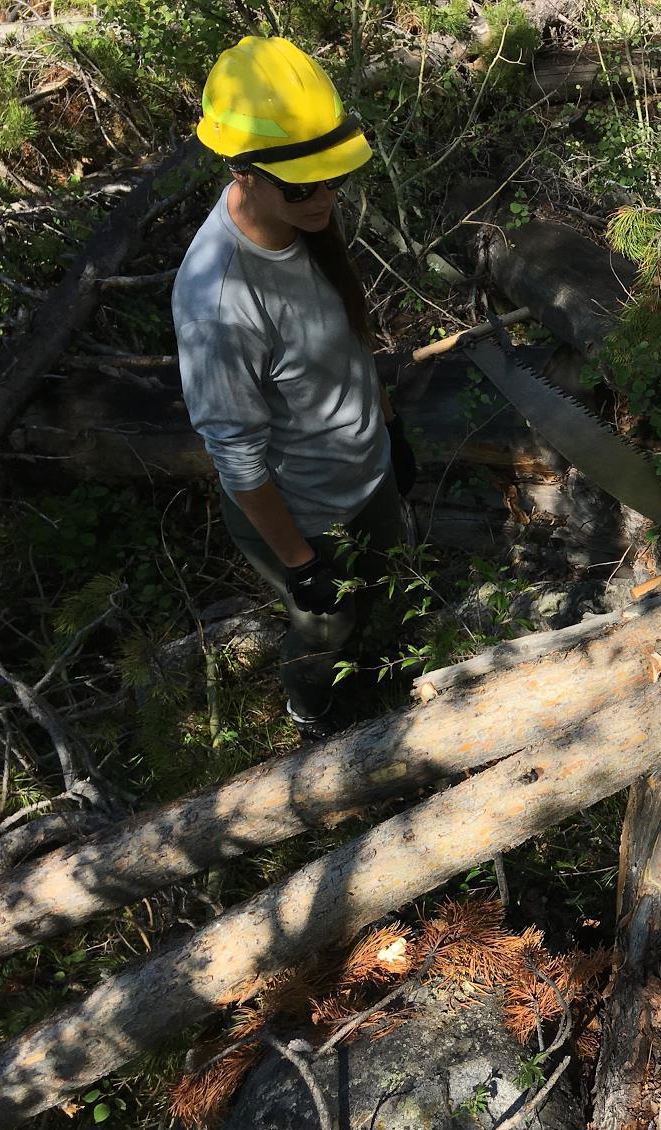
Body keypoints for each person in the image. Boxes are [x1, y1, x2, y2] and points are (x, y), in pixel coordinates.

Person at [172, 36, 416, 737]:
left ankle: (383, 665)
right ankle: (310, 714)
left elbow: (348, 337)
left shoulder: (306, 222)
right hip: (304, 514)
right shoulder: (217, 298)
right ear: (240, 168)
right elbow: (238, 458)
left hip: (364, 476)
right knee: (324, 630)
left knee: (381, 590)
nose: (326, 196)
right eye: (305, 183)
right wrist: (301, 565)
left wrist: (389, 427)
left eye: (333, 177)